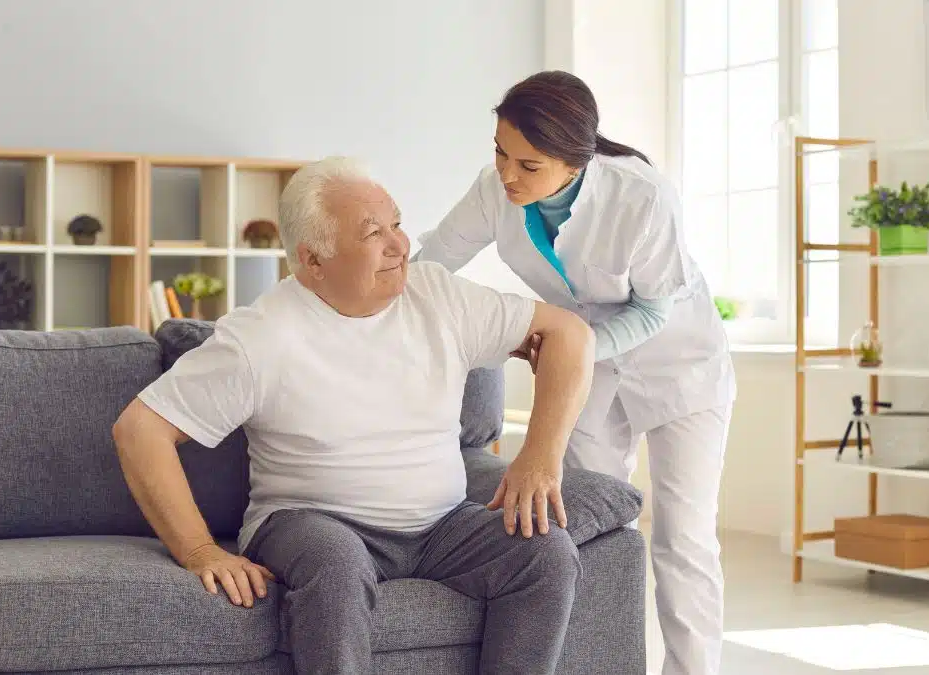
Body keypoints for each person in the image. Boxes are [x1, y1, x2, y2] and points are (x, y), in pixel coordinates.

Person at [111, 156, 597, 675]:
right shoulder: (262, 336)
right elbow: (141, 429)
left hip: (443, 526)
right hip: (311, 521)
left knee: (544, 552)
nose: (399, 245)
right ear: (313, 260)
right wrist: (201, 551)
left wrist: (540, 457)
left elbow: (570, 334)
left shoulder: (438, 295)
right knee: (337, 563)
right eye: (373, 233)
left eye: (397, 224)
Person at [414, 70, 737, 675]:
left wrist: (571, 347)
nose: (508, 174)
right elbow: (436, 259)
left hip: (680, 367)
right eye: (500, 153)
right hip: (593, 371)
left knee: (683, 537)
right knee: (586, 522)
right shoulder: (496, 189)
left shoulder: (642, 197)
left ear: (574, 161)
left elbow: (652, 310)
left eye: (528, 165)